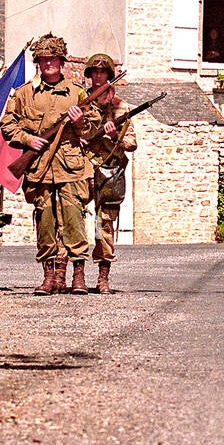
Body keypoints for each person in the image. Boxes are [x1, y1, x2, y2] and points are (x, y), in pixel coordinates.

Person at [0, 34, 100, 294]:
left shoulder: (78, 93)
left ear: (62, 61)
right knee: (44, 220)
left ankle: (78, 275)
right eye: (43, 59)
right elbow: (7, 125)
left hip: (71, 166)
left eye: (53, 58)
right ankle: (49, 276)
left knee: (74, 218)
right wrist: (28, 139)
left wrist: (79, 123)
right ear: (37, 63)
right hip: (39, 166)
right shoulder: (24, 94)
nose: (48, 64)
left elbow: (92, 132)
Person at [82, 52, 137, 294]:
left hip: (110, 169)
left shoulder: (120, 107)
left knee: (104, 223)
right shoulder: (80, 103)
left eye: (102, 72)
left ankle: (103, 277)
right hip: (83, 167)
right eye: (94, 72)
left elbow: (132, 142)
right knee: (70, 217)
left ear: (109, 75)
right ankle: (75, 276)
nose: (98, 76)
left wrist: (115, 136)